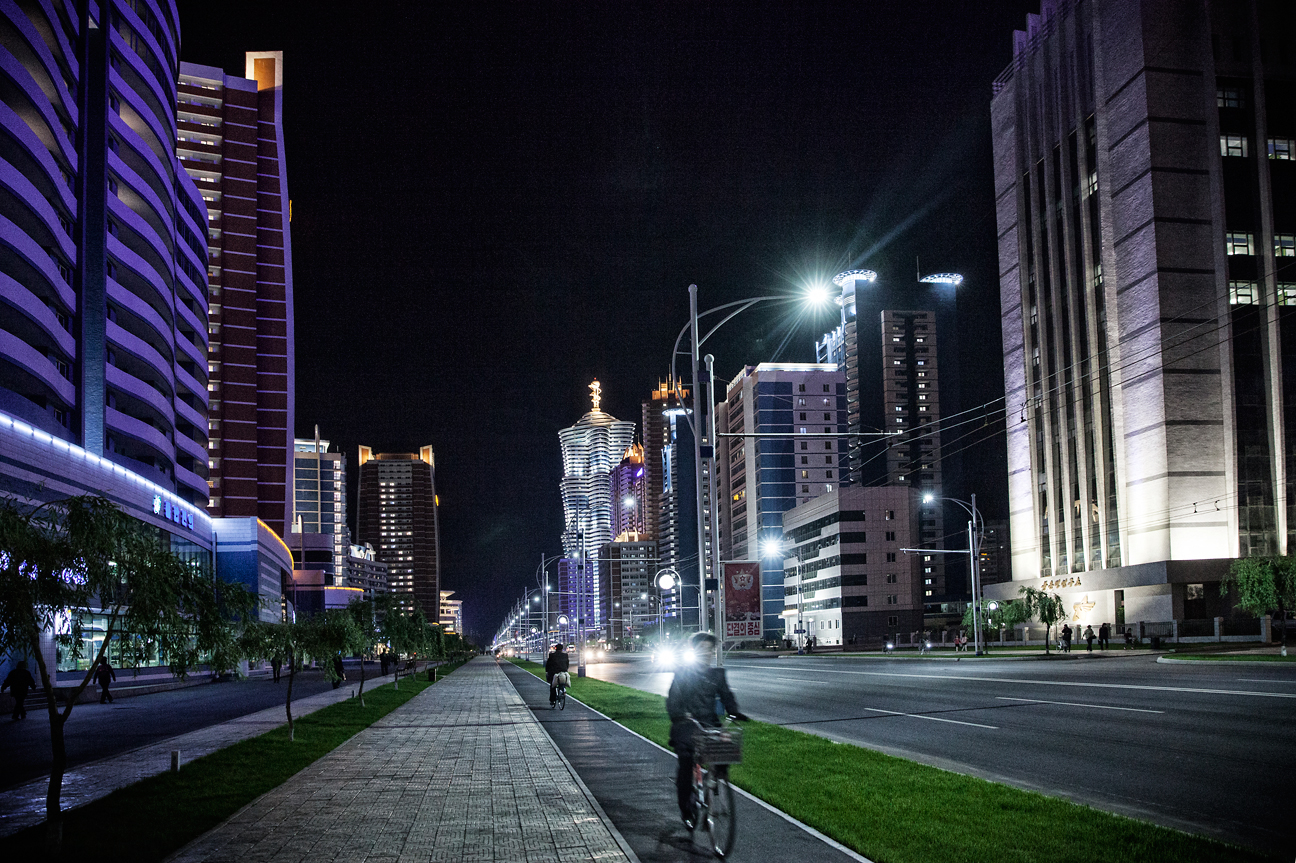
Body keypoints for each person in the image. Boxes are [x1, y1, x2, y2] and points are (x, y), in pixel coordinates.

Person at [667, 632, 748, 829]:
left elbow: (727, 696)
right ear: (694, 651)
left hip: (709, 723)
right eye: (702, 649)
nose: (706, 653)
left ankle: (712, 791)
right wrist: (679, 714)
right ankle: (686, 809)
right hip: (686, 723)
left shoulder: (717, 675)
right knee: (686, 762)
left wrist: (734, 712)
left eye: (709, 650)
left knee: (724, 752)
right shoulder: (682, 673)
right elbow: (673, 700)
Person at [544, 643, 569, 707]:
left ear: (555, 648)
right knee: (562, 682)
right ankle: (563, 690)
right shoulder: (565, 655)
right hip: (563, 671)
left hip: (554, 672)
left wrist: (547, 671)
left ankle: (552, 700)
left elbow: (548, 664)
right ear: (562, 649)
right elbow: (567, 664)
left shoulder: (552, 655)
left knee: (553, 686)